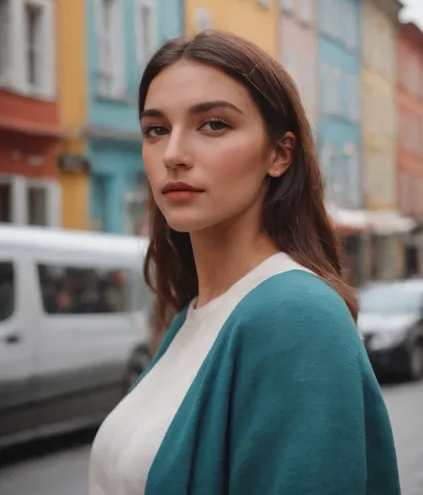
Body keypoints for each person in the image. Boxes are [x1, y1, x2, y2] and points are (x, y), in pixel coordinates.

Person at [89, 30, 401, 495]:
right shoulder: (196, 313)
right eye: (156, 129)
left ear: (279, 153)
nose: (173, 155)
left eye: (214, 124)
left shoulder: (295, 314)